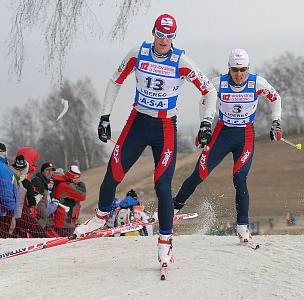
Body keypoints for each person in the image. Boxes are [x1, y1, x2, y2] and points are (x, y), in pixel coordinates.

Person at [74, 14, 217, 266]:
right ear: (153, 32)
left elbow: (209, 91)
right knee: (114, 172)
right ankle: (98, 218)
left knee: (162, 185)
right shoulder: (137, 53)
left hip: (165, 127)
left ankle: (165, 243)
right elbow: (114, 81)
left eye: (169, 36)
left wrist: (206, 123)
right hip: (138, 121)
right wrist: (105, 117)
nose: (163, 41)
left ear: (174, 37)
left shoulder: (181, 61)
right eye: (160, 35)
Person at [173, 49, 282, 243]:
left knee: (240, 178)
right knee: (199, 173)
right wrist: (203, 126)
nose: (239, 74)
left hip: (245, 135)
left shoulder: (257, 83)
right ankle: (173, 208)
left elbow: (276, 99)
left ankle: (242, 227)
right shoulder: (218, 84)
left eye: (243, 70)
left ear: (248, 68)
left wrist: (276, 122)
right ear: (229, 69)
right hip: (222, 133)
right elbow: (204, 100)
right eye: (235, 70)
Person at [52, 165, 86, 237]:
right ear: (70, 177)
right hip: (64, 222)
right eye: (76, 178)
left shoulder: (65, 184)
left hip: (65, 221)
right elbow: (82, 195)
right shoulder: (65, 186)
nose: (78, 180)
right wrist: (81, 184)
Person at [30, 162, 58, 237]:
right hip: (39, 222)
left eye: (51, 170)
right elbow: (39, 204)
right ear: (42, 171)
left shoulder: (51, 182)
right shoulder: (37, 181)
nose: (50, 172)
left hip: (48, 222)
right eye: (47, 170)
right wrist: (49, 209)